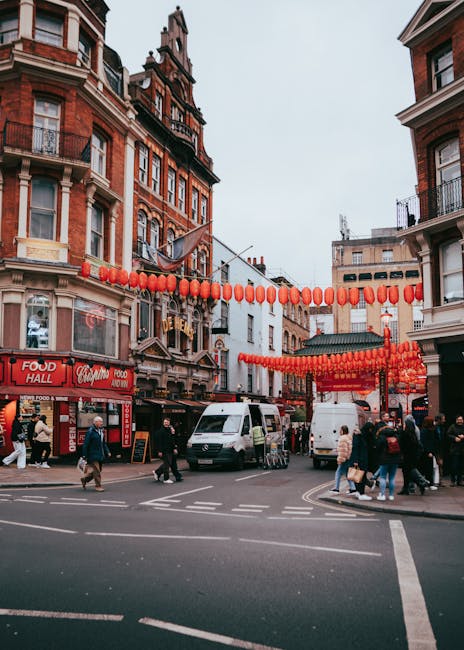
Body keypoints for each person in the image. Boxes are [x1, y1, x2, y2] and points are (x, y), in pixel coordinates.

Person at [81, 416, 111, 491]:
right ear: (95, 422)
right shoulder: (90, 431)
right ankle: (98, 486)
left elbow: (103, 443)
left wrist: (107, 451)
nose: (101, 423)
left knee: (98, 470)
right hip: (92, 455)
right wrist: (84, 455)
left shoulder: (101, 431)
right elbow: (86, 444)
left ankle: (84, 479)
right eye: (100, 421)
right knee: (97, 471)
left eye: (101, 421)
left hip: (100, 454)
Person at [398, 418, 428, 495]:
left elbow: (401, 445)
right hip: (413, 457)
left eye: (405, 424)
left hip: (406, 457)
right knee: (408, 472)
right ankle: (408, 488)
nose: (404, 425)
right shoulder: (413, 434)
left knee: (408, 472)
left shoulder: (405, 434)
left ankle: (421, 482)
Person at [376, 426, 401, 501]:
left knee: (383, 477)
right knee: (392, 478)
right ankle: (391, 495)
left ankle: (382, 495)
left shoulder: (382, 438)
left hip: (384, 460)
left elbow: (378, 448)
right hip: (395, 460)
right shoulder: (396, 437)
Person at [348, 423, 373, 500]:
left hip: (362, 459)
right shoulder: (358, 435)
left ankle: (359, 493)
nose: (371, 431)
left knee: (360, 476)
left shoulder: (363, 435)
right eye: (370, 429)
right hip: (360, 460)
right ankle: (361, 494)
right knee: (360, 476)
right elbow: (355, 448)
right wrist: (355, 460)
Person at [154, 417, 182, 483]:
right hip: (165, 450)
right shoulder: (161, 431)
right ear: (163, 423)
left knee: (169, 463)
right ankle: (166, 479)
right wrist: (160, 451)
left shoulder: (170, 430)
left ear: (169, 423)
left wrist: (174, 448)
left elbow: (172, 440)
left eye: (167, 422)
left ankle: (157, 472)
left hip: (170, 449)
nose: (166, 423)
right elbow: (160, 442)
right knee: (167, 464)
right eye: (165, 422)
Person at [330, 425, 355, 493]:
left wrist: (340, 460)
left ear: (343, 430)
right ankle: (353, 488)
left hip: (344, 458)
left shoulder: (342, 438)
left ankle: (336, 488)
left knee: (338, 473)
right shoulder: (349, 437)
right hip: (348, 458)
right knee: (347, 474)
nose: (339, 431)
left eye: (340, 430)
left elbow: (344, 450)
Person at [419, 416, 439, 490]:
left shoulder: (426, 430)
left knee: (426, 469)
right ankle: (429, 483)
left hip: (427, 452)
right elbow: (426, 443)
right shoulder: (426, 431)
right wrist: (429, 451)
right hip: (427, 453)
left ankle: (426, 483)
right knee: (428, 469)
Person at [447, 414, 464, 486]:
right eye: (458, 420)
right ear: (456, 420)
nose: (460, 421)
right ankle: (453, 480)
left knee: (461, 466)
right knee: (454, 466)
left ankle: (460, 481)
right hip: (454, 449)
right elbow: (448, 435)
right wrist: (454, 438)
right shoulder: (452, 427)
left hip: (462, 450)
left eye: (461, 420)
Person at [434, 413, 447, 484]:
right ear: (439, 419)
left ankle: (439, 480)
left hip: (440, 449)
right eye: (443, 419)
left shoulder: (442, 428)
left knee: (440, 465)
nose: (444, 420)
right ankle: (437, 480)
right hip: (436, 449)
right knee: (437, 465)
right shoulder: (434, 427)